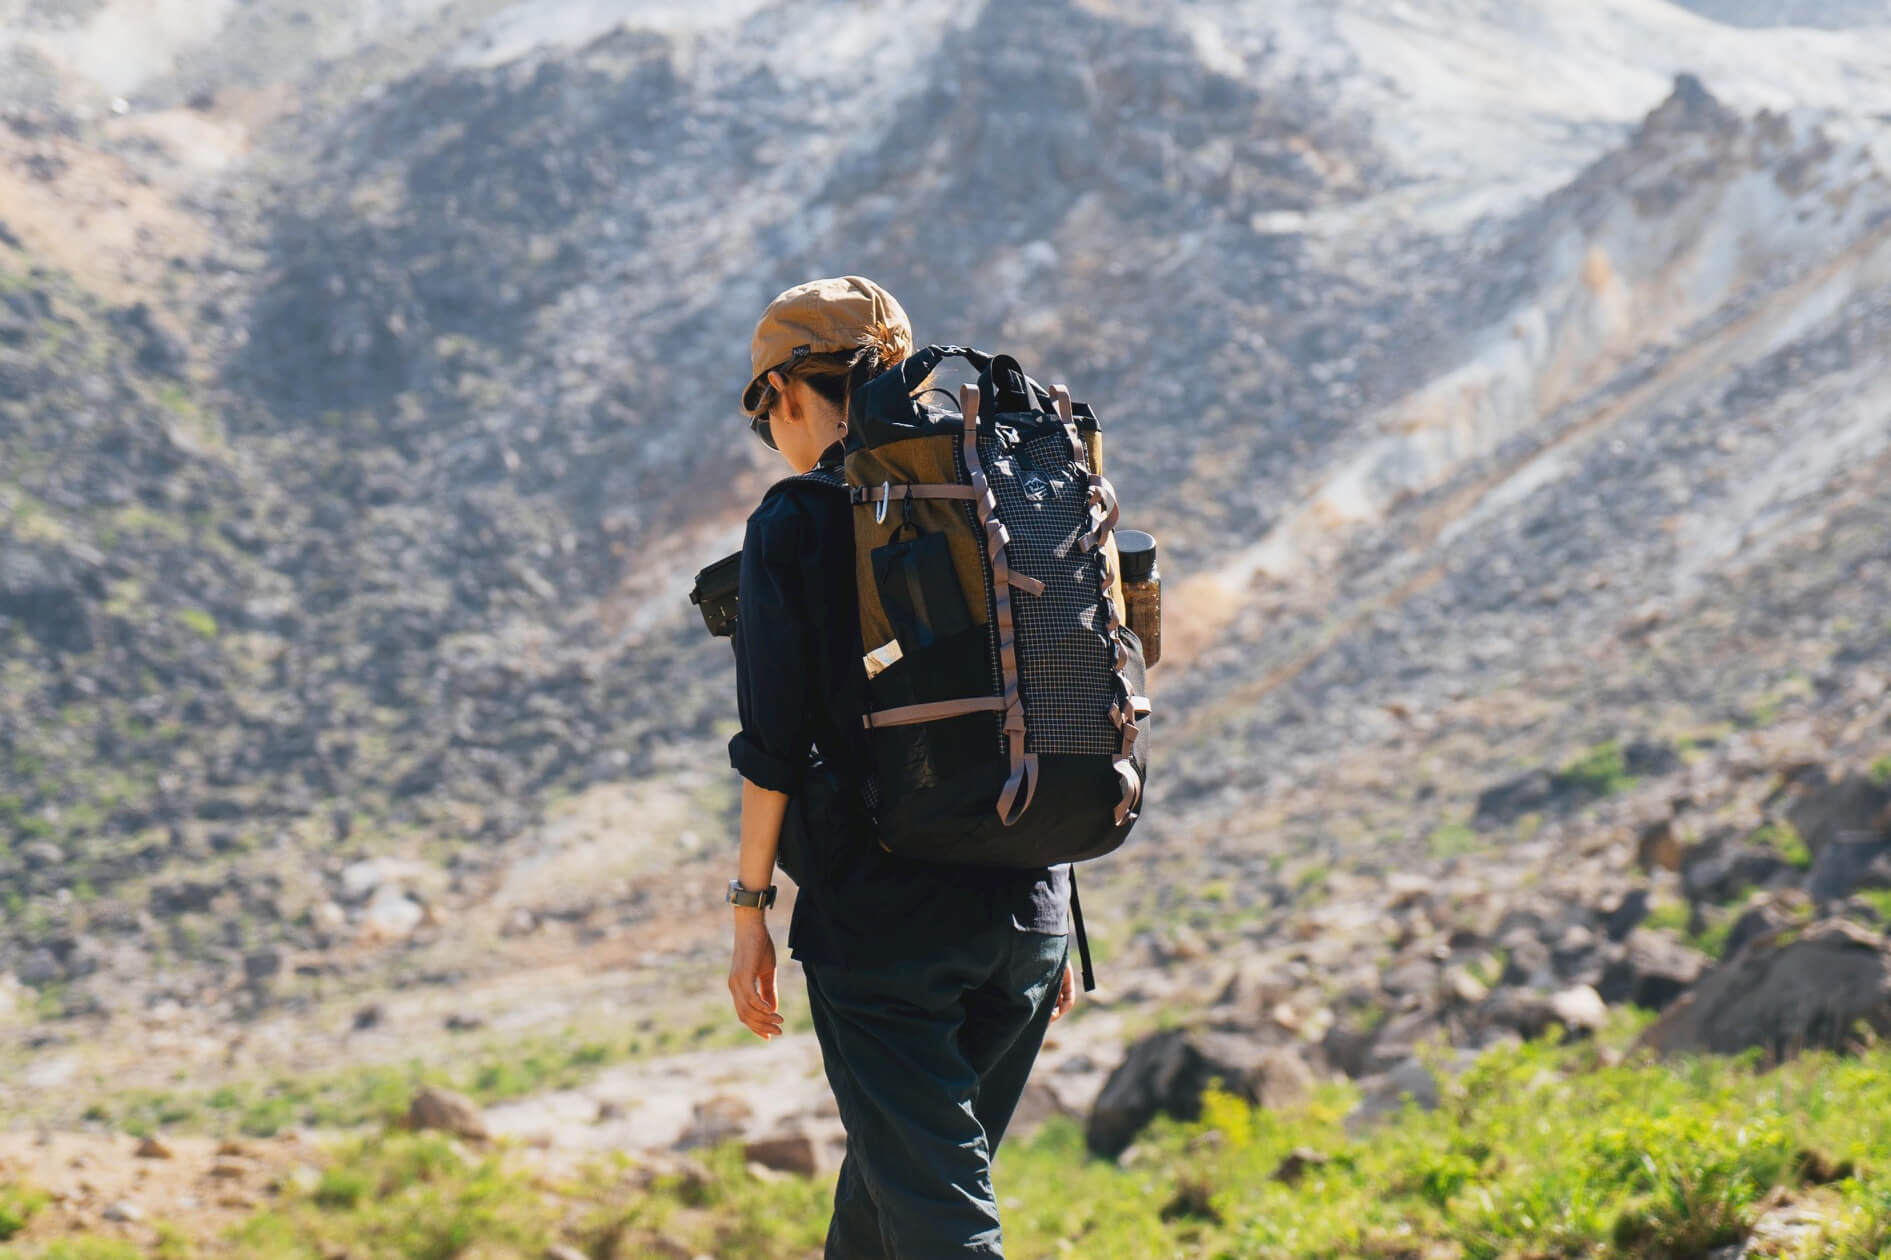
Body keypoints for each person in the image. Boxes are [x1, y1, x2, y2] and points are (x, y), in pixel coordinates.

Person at [724, 275, 1076, 1259]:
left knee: (938, 1226)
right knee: (891, 1205)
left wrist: (748, 913)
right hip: (1028, 915)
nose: (771, 438)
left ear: (790, 391)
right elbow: (1043, 691)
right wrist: (1058, 904)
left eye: (764, 414)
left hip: (883, 933)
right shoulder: (997, 489)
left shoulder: (794, 521)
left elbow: (772, 746)